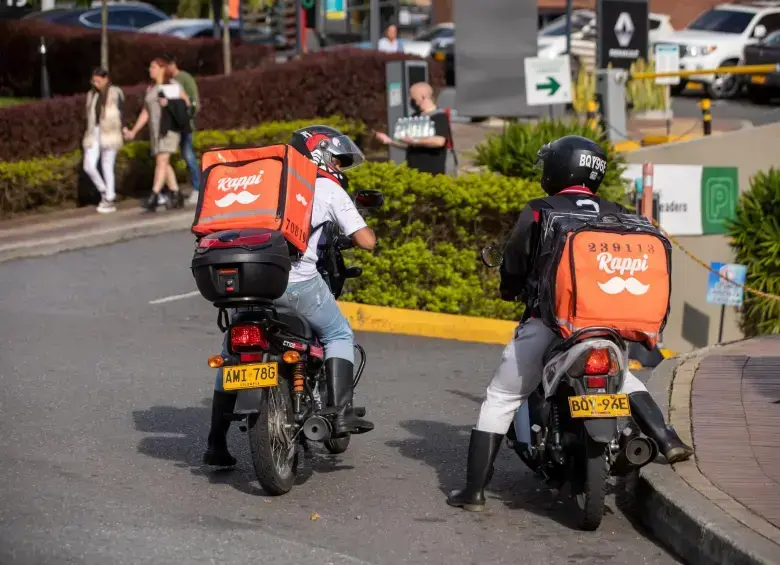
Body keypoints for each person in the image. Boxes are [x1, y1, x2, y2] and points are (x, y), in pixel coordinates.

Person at [446, 135, 694, 512]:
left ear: (559, 167)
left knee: (502, 397)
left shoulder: (540, 210)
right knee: (625, 380)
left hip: (552, 322)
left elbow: (515, 261)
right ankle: (667, 437)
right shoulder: (619, 212)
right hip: (608, 327)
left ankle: (474, 491)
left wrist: (508, 288)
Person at [203, 125, 377, 467]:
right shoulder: (325, 188)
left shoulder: (266, 184)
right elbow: (366, 240)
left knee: (231, 354)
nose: (340, 168)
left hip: (248, 283)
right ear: (321, 156)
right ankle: (339, 415)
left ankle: (215, 444)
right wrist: (366, 234)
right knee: (338, 333)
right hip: (295, 283)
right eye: (338, 160)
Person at [123, 58, 190, 212]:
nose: (150, 70)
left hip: (168, 130)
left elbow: (185, 102)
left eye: (153, 67)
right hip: (155, 131)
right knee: (163, 163)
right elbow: (145, 112)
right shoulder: (151, 88)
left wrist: (170, 103)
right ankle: (176, 193)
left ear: (162, 69)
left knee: (162, 160)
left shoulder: (171, 86)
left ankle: (154, 195)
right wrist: (134, 131)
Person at [374, 82, 452, 176]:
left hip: (431, 174)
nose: (411, 100)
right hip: (412, 172)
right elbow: (409, 144)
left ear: (423, 97)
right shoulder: (414, 117)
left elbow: (439, 141)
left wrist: (415, 140)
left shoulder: (439, 116)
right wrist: (389, 141)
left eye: (413, 97)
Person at [82, 68, 124, 214]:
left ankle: (109, 199)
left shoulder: (115, 92)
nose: (96, 84)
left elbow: (121, 112)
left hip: (110, 132)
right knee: (88, 165)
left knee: (107, 165)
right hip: (94, 131)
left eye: (98, 81)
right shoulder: (91, 95)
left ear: (106, 79)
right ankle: (106, 192)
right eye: (94, 81)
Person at [162, 53, 201, 206]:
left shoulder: (184, 78)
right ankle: (169, 191)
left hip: (184, 124)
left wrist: (188, 116)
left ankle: (198, 188)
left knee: (188, 154)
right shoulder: (166, 82)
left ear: (173, 64)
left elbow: (194, 101)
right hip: (171, 126)